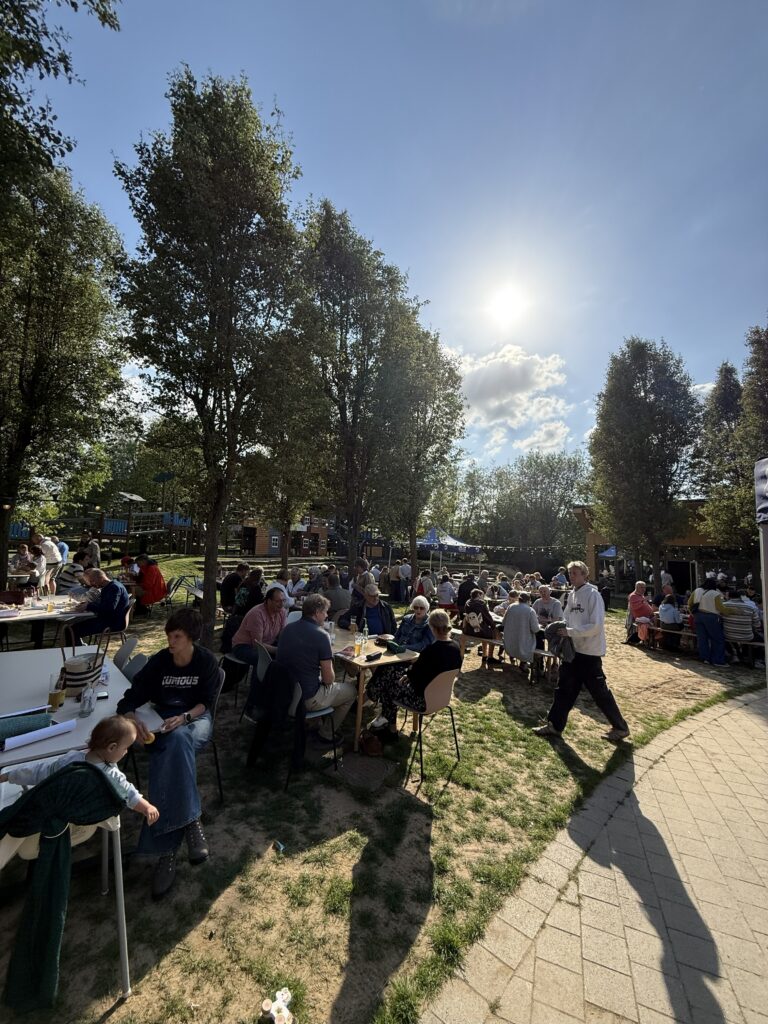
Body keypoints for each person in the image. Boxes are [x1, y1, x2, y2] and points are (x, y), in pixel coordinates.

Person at [116, 608, 220, 898]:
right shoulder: (160, 661)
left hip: (194, 719)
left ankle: (166, 851)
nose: (170, 642)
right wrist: (131, 718)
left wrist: (184, 717)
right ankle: (190, 821)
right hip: (162, 719)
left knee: (176, 741)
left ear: (191, 638)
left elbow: (206, 703)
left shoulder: (205, 661)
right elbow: (131, 697)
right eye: (169, 636)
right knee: (174, 744)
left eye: (177, 637)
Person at [533, 560, 630, 742]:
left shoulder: (593, 595)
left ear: (585, 575)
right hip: (573, 651)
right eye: (570, 573)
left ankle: (620, 727)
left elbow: (596, 626)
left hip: (589, 653)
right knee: (564, 689)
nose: (572, 576)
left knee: (599, 693)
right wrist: (559, 628)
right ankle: (554, 725)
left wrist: (570, 631)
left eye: (576, 573)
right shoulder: (572, 594)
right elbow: (567, 619)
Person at [0, 715, 159, 823]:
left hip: (53, 812)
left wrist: (10, 775)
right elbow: (129, 794)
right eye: (126, 748)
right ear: (112, 747)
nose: (126, 752)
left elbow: (41, 771)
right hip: (85, 818)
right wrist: (147, 807)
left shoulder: (70, 759)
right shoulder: (111, 775)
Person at [366, 609, 461, 740]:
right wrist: (408, 674)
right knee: (390, 670)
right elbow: (421, 672)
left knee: (388, 684)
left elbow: (414, 673)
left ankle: (391, 729)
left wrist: (408, 674)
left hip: (421, 699)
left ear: (432, 628)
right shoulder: (456, 647)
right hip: (441, 696)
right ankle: (373, 693)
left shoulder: (431, 651)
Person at [276, 593, 356, 742]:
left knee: (316, 677)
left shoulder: (287, 629)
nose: (327, 616)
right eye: (325, 612)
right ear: (317, 612)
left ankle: (313, 722)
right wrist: (330, 659)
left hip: (284, 691)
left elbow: (302, 654)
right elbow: (328, 680)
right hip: (306, 698)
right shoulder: (321, 635)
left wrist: (332, 653)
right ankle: (326, 734)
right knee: (351, 691)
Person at [71, 569, 130, 641]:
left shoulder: (113, 588)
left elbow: (109, 609)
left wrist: (88, 606)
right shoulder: (111, 586)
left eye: (92, 581)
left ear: (101, 578)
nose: (91, 584)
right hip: (110, 620)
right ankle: (79, 647)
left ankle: (77, 648)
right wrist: (88, 604)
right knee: (73, 628)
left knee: (71, 630)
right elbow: (105, 604)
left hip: (113, 623)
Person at [688, 578, 734, 666]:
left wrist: (693, 614)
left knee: (702, 639)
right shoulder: (715, 593)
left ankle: (705, 658)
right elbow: (721, 608)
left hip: (698, 616)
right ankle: (718, 660)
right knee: (717, 639)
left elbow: (689, 603)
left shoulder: (696, 591)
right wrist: (733, 611)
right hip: (711, 617)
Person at [232, 586, 287, 658]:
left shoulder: (282, 612)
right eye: (278, 601)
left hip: (267, 644)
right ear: (269, 601)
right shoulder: (257, 614)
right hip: (244, 645)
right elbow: (257, 645)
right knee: (263, 658)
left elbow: (283, 635)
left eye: (283, 600)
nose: (282, 604)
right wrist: (277, 650)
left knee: (288, 654)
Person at [503, 591, 542, 676]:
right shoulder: (530, 610)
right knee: (539, 642)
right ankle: (538, 667)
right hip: (522, 643)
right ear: (528, 601)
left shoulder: (511, 606)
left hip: (509, 641)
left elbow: (503, 622)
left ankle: (524, 663)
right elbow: (535, 629)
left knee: (522, 637)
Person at [722, 590, 763, 666]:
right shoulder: (750, 607)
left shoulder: (723, 606)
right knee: (761, 638)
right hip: (747, 636)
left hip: (728, 634)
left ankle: (736, 654)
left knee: (730, 635)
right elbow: (757, 625)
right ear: (740, 597)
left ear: (728, 597)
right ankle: (758, 659)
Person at [462, 587, 499, 661]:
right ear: (479, 595)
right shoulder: (481, 603)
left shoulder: (467, 602)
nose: (483, 597)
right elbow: (487, 618)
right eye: (482, 595)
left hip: (469, 629)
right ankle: (490, 657)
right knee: (494, 631)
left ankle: (484, 654)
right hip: (479, 631)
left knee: (485, 628)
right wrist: (493, 626)